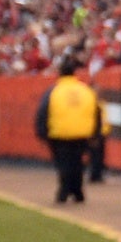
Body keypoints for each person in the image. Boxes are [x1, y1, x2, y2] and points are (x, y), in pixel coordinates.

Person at [38, 54, 98, 205]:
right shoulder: (85, 90)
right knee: (77, 163)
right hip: (82, 132)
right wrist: (95, 133)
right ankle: (77, 192)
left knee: (63, 164)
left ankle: (64, 191)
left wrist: (42, 133)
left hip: (60, 133)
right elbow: (96, 112)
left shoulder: (53, 91)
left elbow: (43, 112)